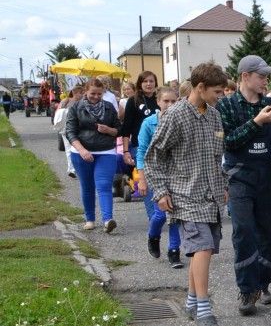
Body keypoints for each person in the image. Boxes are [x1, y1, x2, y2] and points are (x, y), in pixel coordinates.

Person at [143, 62, 229, 326]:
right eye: (217, 91)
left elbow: (219, 157)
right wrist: (160, 192)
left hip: (211, 195)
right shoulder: (175, 115)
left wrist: (223, 184)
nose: (221, 95)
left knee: (204, 250)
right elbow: (153, 157)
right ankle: (204, 309)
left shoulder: (215, 116)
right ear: (200, 88)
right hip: (185, 194)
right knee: (202, 248)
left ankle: (192, 301)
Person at [217, 54, 271, 316]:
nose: (266, 81)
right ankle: (246, 290)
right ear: (245, 76)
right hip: (240, 176)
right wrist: (257, 123)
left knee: (268, 232)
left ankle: (263, 285)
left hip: (267, 175)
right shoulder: (227, 106)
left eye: (267, 76)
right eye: (261, 76)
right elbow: (229, 141)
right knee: (243, 231)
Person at [64, 79, 122, 233]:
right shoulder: (76, 107)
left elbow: (119, 130)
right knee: (87, 186)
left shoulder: (109, 107)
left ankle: (108, 220)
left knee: (104, 185)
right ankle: (90, 219)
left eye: (99, 94)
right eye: (92, 94)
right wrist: (82, 150)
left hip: (106, 151)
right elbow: (70, 132)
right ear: (85, 92)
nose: (96, 96)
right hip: (81, 152)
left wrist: (108, 130)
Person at [136, 85, 183, 268]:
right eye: (166, 101)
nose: (170, 105)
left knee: (176, 213)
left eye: (174, 101)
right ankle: (153, 235)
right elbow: (141, 152)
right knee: (161, 214)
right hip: (155, 172)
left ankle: (174, 251)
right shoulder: (149, 123)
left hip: (177, 173)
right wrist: (142, 178)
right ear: (158, 102)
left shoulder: (180, 121)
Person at [119, 71, 160, 172]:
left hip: (159, 146)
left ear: (156, 83)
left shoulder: (161, 99)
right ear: (140, 84)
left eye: (151, 81)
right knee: (144, 179)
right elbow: (126, 127)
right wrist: (126, 151)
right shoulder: (133, 100)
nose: (149, 84)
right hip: (140, 146)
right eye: (145, 81)